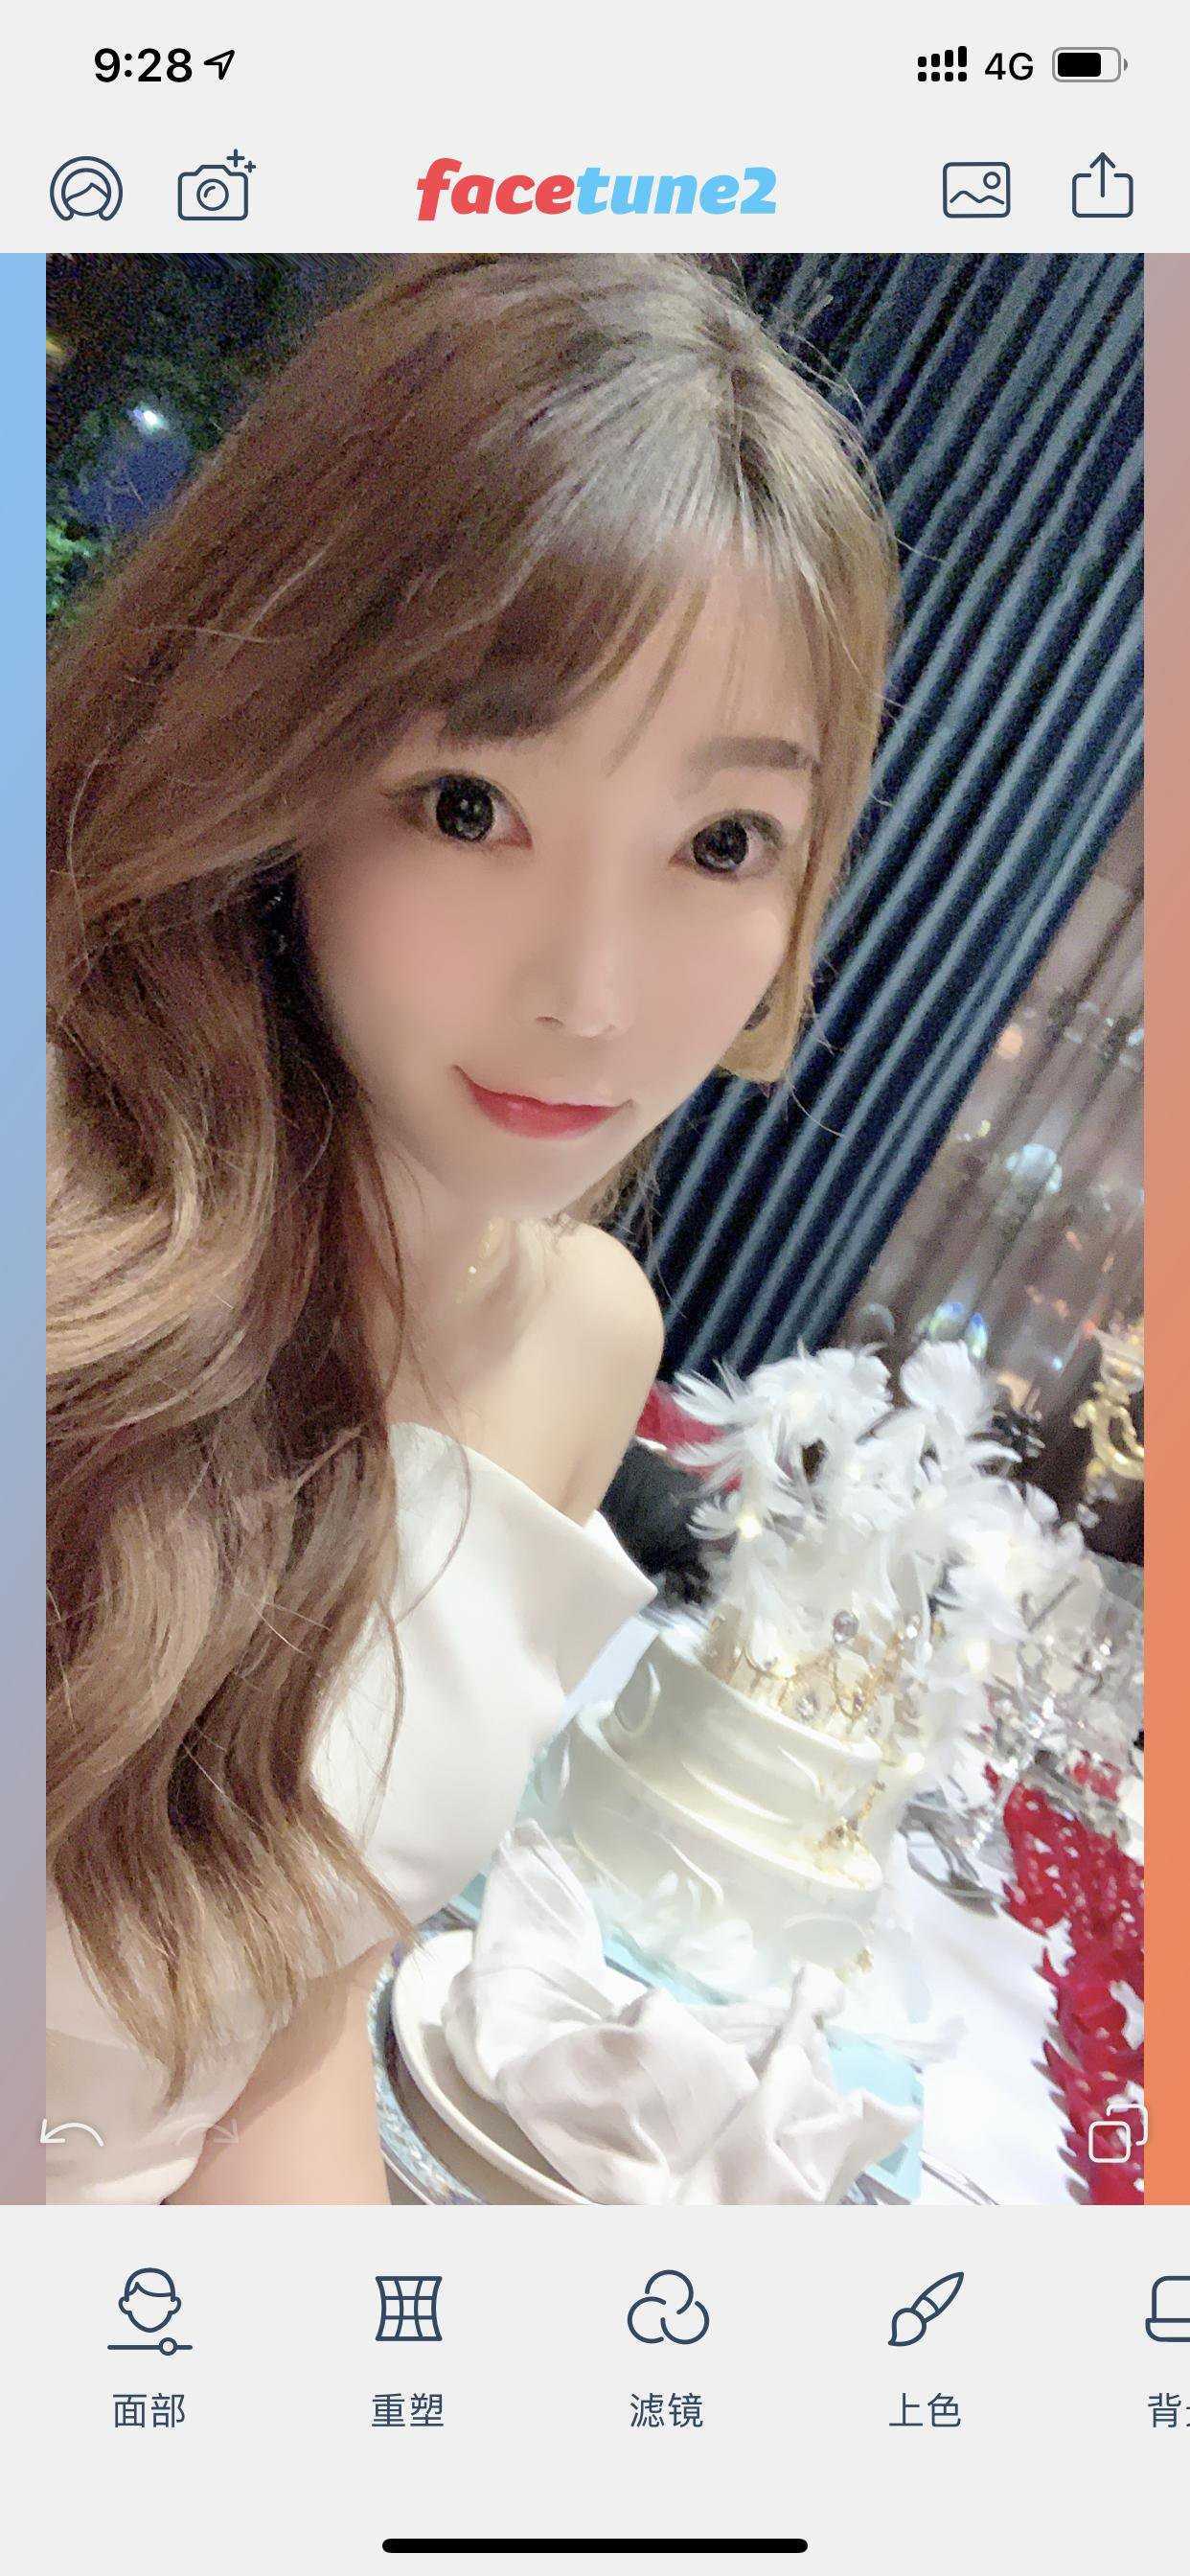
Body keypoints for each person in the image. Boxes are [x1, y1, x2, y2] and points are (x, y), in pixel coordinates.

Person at [46, 251, 900, 2203]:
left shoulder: (588, 1340)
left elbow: (274, 2047)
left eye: (721, 843)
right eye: (465, 803)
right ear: (276, 748)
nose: (592, 997)